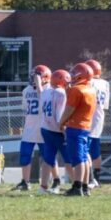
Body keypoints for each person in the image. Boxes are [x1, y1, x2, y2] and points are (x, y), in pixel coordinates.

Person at [56, 60, 99, 196]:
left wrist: (61, 122)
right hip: (86, 126)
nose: (72, 76)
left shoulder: (77, 89)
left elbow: (69, 109)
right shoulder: (90, 89)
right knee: (85, 157)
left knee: (78, 158)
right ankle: (85, 186)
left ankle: (77, 186)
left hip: (75, 126)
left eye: (75, 73)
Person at [15, 63, 50, 192]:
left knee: (48, 157)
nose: (34, 80)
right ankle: (25, 181)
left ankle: (50, 182)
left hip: (44, 128)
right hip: (29, 128)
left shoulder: (49, 90)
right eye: (34, 77)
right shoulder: (26, 90)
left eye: (37, 77)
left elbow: (43, 100)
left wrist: (39, 85)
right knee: (24, 155)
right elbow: (25, 109)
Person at [37, 66, 69, 194]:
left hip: (45, 128)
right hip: (57, 131)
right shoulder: (60, 93)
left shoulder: (46, 91)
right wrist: (65, 132)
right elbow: (60, 117)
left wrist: (38, 79)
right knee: (70, 160)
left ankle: (43, 187)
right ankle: (78, 185)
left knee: (48, 159)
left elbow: (40, 91)